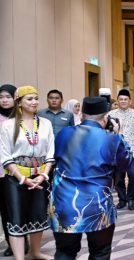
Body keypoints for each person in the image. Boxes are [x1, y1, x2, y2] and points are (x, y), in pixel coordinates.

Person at [50, 96, 132, 259]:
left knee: (65, 252)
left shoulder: (63, 134)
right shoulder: (112, 139)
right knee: (100, 252)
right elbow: (125, 163)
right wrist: (119, 135)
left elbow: (56, 158)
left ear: (81, 115)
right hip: (97, 204)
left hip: (64, 203)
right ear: (105, 117)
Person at [0, 86, 55, 260]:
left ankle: (36, 252)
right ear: (20, 102)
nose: (34, 102)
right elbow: (5, 156)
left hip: (40, 177)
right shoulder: (8, 125)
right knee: (16, 217)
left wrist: (43, 175)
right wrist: (22, 178)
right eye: (29, 99)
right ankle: (19, 257)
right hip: (15, 179)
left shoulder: (46, 123)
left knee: (38, 214)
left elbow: (50, 153)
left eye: (36, 98)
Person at [109, 89, 134, 210]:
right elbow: (109, 133)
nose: (123, 101)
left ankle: (131, 198)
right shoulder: (112, 114)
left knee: (133, 174)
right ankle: (122, 199)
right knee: (119, 177)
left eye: (126, 99)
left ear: (130, 101)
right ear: (118, 101)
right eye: (121, 99)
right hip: (118, 151)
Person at [0, 84, 18, 257]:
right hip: (0, 170)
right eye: (1, 97)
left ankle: (22, 239)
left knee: (17, 208)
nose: (4, 100)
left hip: (19, 171)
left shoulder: (22, 117)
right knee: (4, 210)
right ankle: (11, 243)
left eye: (8, 96)